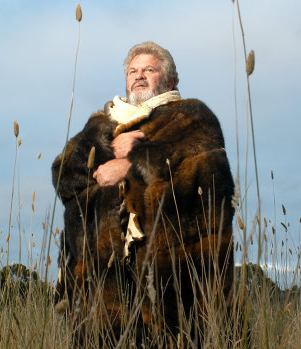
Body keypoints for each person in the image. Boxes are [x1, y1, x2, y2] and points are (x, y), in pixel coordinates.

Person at [52, 41, 235, 342]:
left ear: (170, 81)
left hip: (169, 276)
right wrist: (108, 158)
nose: (139, 75)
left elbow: (208, 172)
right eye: (133, 71)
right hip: (100, 284)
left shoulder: (191, 117)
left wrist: (133, 159)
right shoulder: (100, 125)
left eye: (150, 69)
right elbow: (64, 176)